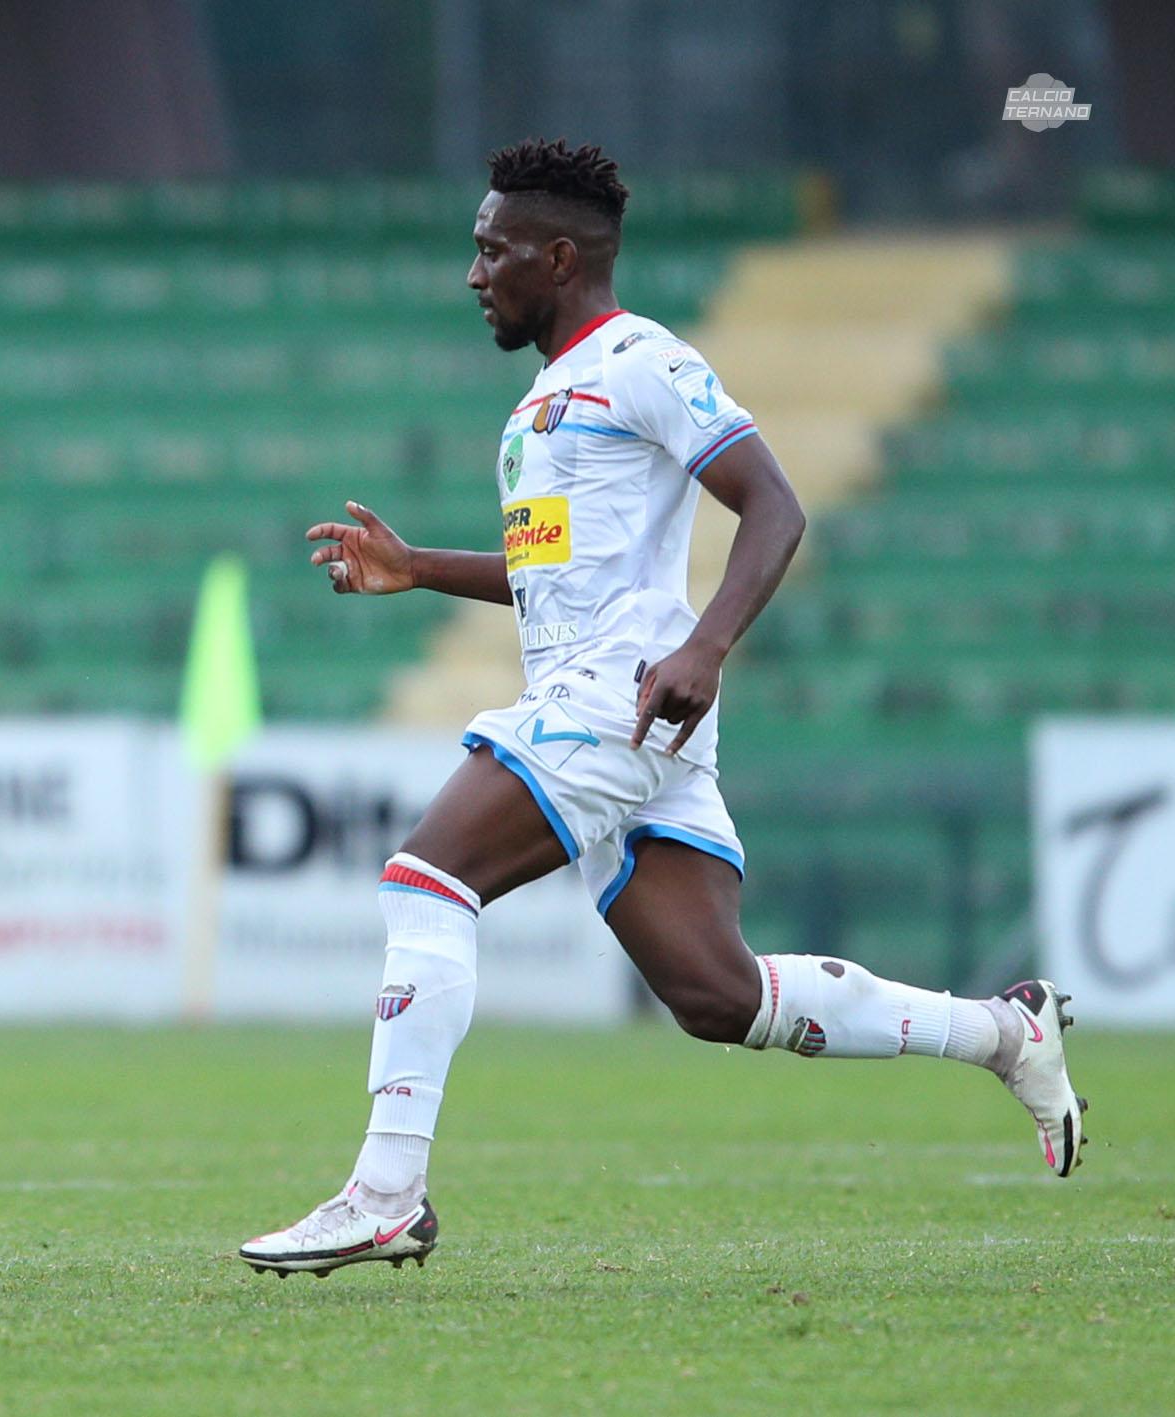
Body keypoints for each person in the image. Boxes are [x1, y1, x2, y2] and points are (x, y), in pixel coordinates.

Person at [239, 138, 1086, 1277]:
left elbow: (773, 507)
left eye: (489, 251)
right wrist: (418, 568)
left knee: (425, 878)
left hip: (622, 694)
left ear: (555, 256)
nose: (472, 272)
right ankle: (1002, 1031)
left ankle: (385, 1191)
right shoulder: (541, 403)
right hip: (629, 707)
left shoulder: (641, 361)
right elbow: (557, 572)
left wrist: (706, 644)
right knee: (714, 992)